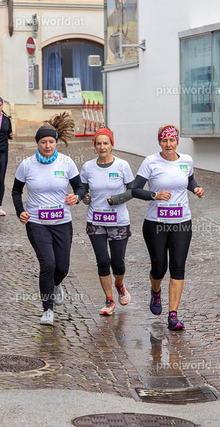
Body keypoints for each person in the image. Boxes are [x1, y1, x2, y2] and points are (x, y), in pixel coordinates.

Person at [12, 112, 85, 326]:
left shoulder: (66, 162)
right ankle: (47, 310)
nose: (47, 145)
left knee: (62, 267)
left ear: (56, 142)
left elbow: (80, 187)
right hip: (37, 222)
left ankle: (56, 284)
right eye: (43, 142)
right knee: (48, 264)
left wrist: (77, 197)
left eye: (51, 142)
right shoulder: (27, 165)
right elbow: (16, 191)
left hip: (62, 222)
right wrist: (20, 211)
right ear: (37, 143)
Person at [131, 124, 204, 331]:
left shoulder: (186, 160)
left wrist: (196, 188)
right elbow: (135, 189)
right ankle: (156, 291)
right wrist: (154, 195)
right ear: (159, 142)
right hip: (155, 224)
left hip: (182, 222)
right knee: (159, 268)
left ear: (177, 141)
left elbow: (189, 180)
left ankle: (173, 315)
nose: (169, 144)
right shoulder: (150, 162)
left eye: (172, 140)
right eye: (164, 140)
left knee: (178, 267)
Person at [80, 128, 133, 316]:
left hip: (118, 220)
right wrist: (85, 197)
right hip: (95, 220)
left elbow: (132, 190)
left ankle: (119, 284)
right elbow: (82, 189)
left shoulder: (122, 165)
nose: (102, 147)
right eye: (99, 143)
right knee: (103, 261)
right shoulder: (87, 167)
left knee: (117, 263)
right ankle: (109, 300)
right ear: (94, 146)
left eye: (106, 143)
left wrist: (117, 199)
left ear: (112, 145)